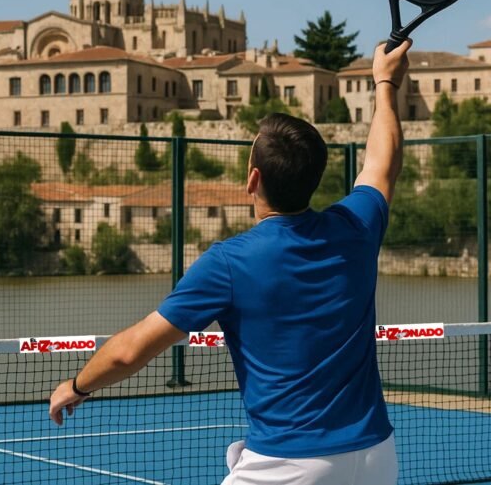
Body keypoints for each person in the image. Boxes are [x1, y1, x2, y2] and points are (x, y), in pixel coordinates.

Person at [49, 39, 412, 485]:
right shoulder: (357, 228)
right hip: (376, 457)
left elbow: (129, 352)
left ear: (252, 178)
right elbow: (383, 161)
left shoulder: (228, 263)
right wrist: (385, 83)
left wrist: (76, 385)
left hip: (289, 466)